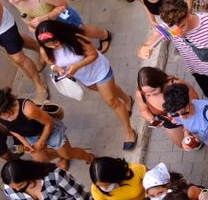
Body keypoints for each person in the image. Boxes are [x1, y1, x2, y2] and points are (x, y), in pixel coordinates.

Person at [35, 21, 137, 149]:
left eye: (55, 41)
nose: (54, 46)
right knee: (109, 90)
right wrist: (58, 69)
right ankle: (127, 100)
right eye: (49, 45)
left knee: (111, 101)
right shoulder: (45, 50)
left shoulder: (76, 39)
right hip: (85, 78)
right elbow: (51, 64)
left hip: (100, 71)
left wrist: (77, 66)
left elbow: (93, 54)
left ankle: (129, 132)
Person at [0, 86, 94, 167]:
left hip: (50, 130)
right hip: (30, 135)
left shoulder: (27, 109)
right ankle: (61, 154)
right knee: (42, 160)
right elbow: (13, 130)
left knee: (68, 153)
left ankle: (89, 157)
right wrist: (26, 144)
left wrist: (41, 142)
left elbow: (49, 123)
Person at [2, 0, 111, 48]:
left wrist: (44, 18)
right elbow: (28, 18)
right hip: (50, 26)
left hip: (62, 17)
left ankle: (104, 35)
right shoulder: (17, 2)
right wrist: (30, 26)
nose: (11, 1)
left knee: (82, 30)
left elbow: (64, 5)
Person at [128, 0, 197, 59]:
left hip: (185, 15)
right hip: (170, 21)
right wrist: (151, 19)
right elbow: (145, 4)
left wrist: (189, 12)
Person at [135, 66, 199, 149]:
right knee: (181, 143)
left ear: (159, 82)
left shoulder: (175, 83)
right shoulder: (140, 94)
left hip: (188, 114)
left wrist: (185, 116)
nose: (151, 95)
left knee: (200, 135)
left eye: (153, 90)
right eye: (147, 93)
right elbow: (143, 111)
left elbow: (194, 98)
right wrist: (151, 120)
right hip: (168, 121)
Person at [88, 156, 153, 200]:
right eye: (100, 186)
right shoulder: (95, 189)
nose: (104, 188)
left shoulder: (136, 169)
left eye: (107, 184)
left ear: (115, 175)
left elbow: (157, 180)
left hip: (152, 197)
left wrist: (150, 189)